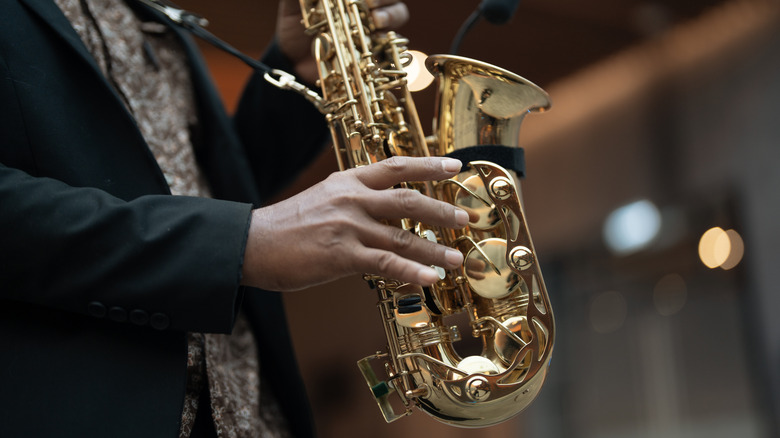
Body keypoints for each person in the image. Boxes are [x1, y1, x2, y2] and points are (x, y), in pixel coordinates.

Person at [0, 0, 468, 437]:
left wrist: (300, 66)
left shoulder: (141, 11)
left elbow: (194, 186)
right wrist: (241, 243)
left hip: (255, 414)